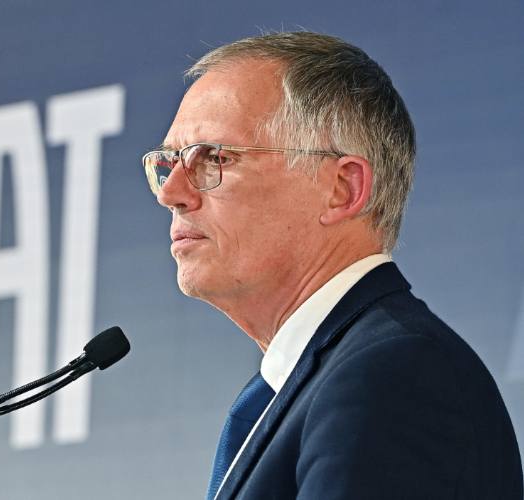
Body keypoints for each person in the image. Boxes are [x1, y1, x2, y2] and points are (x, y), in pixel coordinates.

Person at [142, 32, 523, 499]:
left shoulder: (393, 376)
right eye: (169, 162)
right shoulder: (319, 380)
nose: (170, 193)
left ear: (342, 189)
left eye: (214, 158)